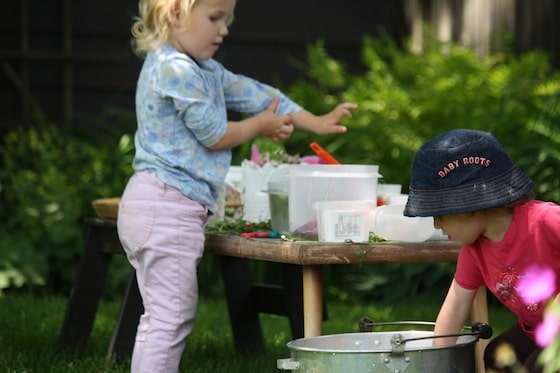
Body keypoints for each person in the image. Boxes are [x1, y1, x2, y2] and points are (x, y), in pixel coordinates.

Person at [117, 0, 357, 371]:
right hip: (165, 204)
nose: (224, 29)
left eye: (227, 19)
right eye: (214, 18)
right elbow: (214, 134)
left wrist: (317, 121)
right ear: (175, 16)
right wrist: (258, 127)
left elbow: (258, 94)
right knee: (170, 316)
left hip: (169, 205)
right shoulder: (174, 69)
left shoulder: (204, 69)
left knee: (167, 315)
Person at [403, 129, 560, 372]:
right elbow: (455, 306)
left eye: (439, 215)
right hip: (538, 331)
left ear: (467, 207)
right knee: (497, 356)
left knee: (540, 366)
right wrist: (434, 361)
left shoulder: (543, 220)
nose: (436, 225)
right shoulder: (474, 250)